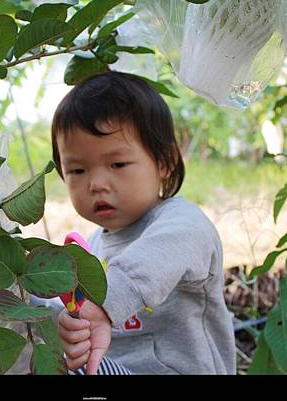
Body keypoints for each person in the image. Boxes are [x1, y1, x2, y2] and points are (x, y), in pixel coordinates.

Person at [50, 71, 236, 375]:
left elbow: (170, 248)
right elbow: (79, 314)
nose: (96, 183)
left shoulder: (181, 223)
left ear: (164, 162)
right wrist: (71, 327)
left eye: (118, 164)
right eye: (77, 170)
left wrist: (105, 301)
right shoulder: (94, 245)